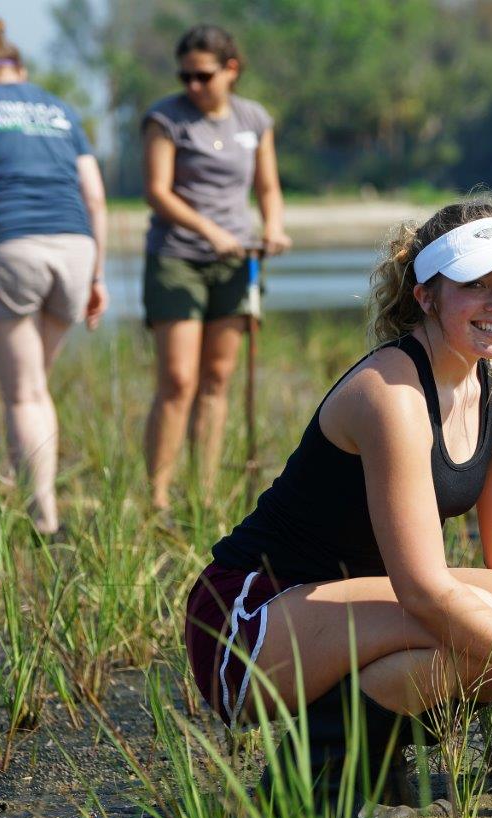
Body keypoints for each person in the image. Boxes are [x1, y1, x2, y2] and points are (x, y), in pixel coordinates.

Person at [183, 199, 492, 818]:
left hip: (357, 612)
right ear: (426, 296)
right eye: (474, 284)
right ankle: (309, 772)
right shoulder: (391, 394)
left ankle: (362, 764)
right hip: (250, 622)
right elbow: (425, 592)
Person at [0, 15, 109, 536]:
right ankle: (21, 487)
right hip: (75, 249)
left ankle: (43, 518)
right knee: (35, 388)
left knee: (25, 393)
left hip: (9, 246)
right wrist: (98, 272)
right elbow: (95, 194)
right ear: (21, 70)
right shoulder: (60, 109)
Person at [141, 24, 291, 510]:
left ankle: (203, 494)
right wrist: (209, 232)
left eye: (202, 76)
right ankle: (158, 495)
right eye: (184, 76)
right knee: (178, 379)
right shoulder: (166, 119)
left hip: (237, 262)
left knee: (217, 378)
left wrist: (273, 226)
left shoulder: (253, 118)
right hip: (178, 258)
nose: (192, 86)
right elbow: (157, 191)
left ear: (230, 70)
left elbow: (267, 186)